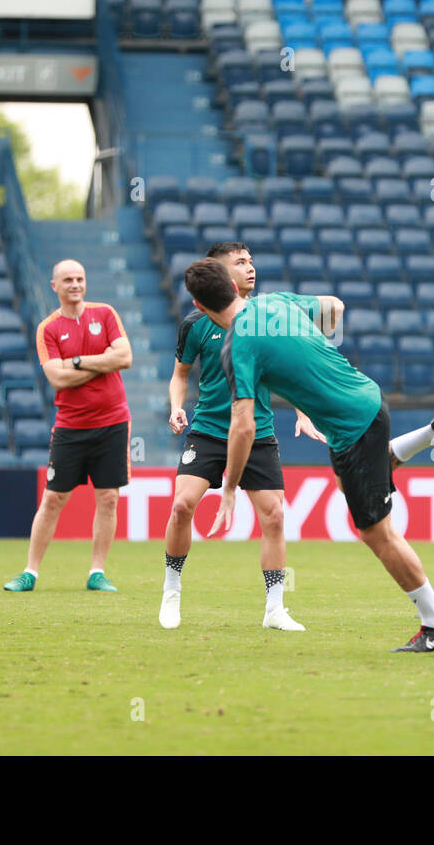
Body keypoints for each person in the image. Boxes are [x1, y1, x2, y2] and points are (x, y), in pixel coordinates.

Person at [185, 257, 434, 652]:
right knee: (352, 483)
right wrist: (306, 353)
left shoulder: (236, 345)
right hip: (364, 398)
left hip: (350, 425)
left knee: (375, 532)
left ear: (199, 307)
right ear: (231, 283)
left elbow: (243, 425)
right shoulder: (274, 303)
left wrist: (228, 488)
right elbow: (334, 307)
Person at [162, 241, 332, 631]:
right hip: (207, 430)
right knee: (181, 506)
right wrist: (176, 405)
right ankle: (172, 590)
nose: (251, 268)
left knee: (273, 517)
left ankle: (275, 608)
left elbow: (289, 368)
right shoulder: (195, 323)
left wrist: (303, 411)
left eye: (252, 260)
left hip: (257, 430)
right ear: (220, 274)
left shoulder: (267, 316)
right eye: (240, 262)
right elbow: (181, 374)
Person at [4, 259, 132, 593]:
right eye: (68, 279)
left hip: (113, 421)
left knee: (108, 498)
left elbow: (125, 357)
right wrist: (102, 363)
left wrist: (77, 361)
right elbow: (58, 379)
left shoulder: (105, 313)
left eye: (80, 278)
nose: (75, 284)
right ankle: (30, 572)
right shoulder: (47, 328)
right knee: (53, 499)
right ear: (55, 286)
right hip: (70, 426)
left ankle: (97, 573)